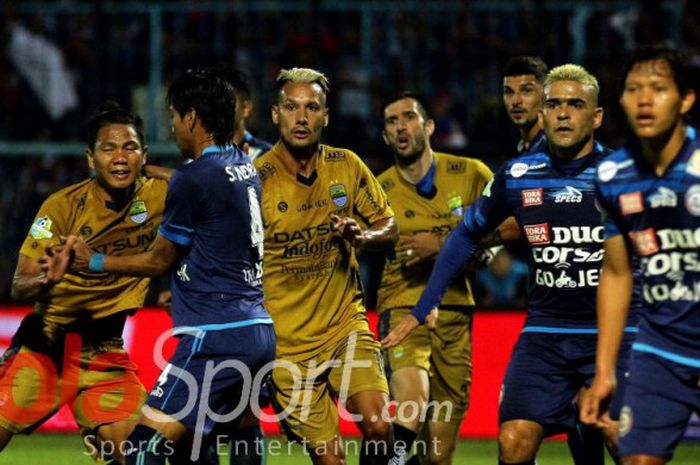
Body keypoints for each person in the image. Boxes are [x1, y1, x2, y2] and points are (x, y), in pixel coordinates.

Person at [383, 64, 638, 465]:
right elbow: (467, 232)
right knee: (513, 439)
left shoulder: (624, 176)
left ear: (597, 116)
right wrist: (424, 304)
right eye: (554, 104)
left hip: (612, 334)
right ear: (544, 112)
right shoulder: (518, 173)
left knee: (619, 439)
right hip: (544, 335)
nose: (564, 113)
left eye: (575, 104)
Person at [53, 68, 276, 465]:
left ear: (191, 117)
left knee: (142, 450)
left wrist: (95, 260)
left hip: (214, 337)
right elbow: (205, 188)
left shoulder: (193, 179)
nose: (172, 127)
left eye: (174, 116)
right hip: (257, 330)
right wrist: (151, 171)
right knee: (220, 435)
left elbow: (159, 259)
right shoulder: (243, 167)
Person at [0, 101, 167, 465]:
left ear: (144, 155)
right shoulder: (62, 207)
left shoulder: (157, 196)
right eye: (109, 149)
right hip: (45, 351)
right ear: (91, 159)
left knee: (139, 457)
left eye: (130, 148)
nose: (120, 157)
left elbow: (204, 188)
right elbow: (19, 286)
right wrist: (47, 278)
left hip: (105, 354)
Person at [253, 67, 398, 465]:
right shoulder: (256, 181)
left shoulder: (346, 165)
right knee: (331, 459)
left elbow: (389, 224)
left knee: (380, 427)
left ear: (326, 116)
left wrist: (362, 237)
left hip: (344, 329)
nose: (301, 117)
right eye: (292, 107)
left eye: (311, 107)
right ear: (275, 114)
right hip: (287, 347)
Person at [581, 47, 698, 465]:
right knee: (637, 462)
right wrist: (604, 372)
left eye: (658, 89)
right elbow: (615, 274)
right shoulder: (613, 176)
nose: (644, 99)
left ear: (686, 100)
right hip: (659, 350)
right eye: (633, 89)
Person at [375, 92, 493, 465]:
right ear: (385, 137)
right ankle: (386, 461)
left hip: (456, 314)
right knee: (412, 398)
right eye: (391, 122)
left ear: (428, 126)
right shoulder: (378, 188)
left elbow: (503, 234)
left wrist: (442, 245)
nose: (400, 127)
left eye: (408, 117)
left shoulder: (472, 173)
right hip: (402, 307)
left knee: (438, 456)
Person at [503, 55, 609, 465]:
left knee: (596, 428)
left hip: (604, 322)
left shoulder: (598, 165)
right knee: (527, 437)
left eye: (527, 91)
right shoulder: (518, 163)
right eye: (509, 91)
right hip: (548, 323)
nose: (517, 101)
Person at [502, 56, 549, 155]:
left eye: (526, 90)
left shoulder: (559, 152)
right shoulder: (520, 148)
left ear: (546, 95)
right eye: (509, 92)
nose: (515, 101)